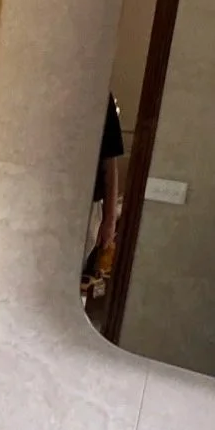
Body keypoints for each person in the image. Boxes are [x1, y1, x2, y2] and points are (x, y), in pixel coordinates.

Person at [82, 93, 124, 306]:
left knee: (75, 276)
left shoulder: (100, 95)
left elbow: (110, 161)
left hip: (88, 203)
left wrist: (109, 220)